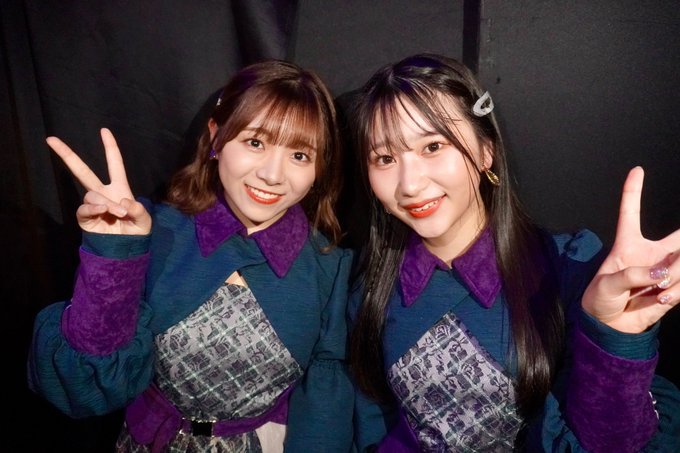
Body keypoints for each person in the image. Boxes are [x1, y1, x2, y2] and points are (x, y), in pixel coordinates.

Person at [347, 53, 680, 452]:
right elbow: (370, 424)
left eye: (433, 146)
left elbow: (612, 442)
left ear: (485, 151)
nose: (410, 185)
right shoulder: (370, 285)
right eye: (385, 159)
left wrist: (615, 340)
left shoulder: (568, 268)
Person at [28, 60, 354, 452]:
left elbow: (325, 410)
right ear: (216, 137)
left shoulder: (329, 267)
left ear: (319, 168)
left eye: (300, 155)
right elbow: (82, 389)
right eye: (255, 142)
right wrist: (114, 258)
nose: (272, 174)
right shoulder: (155, 232)